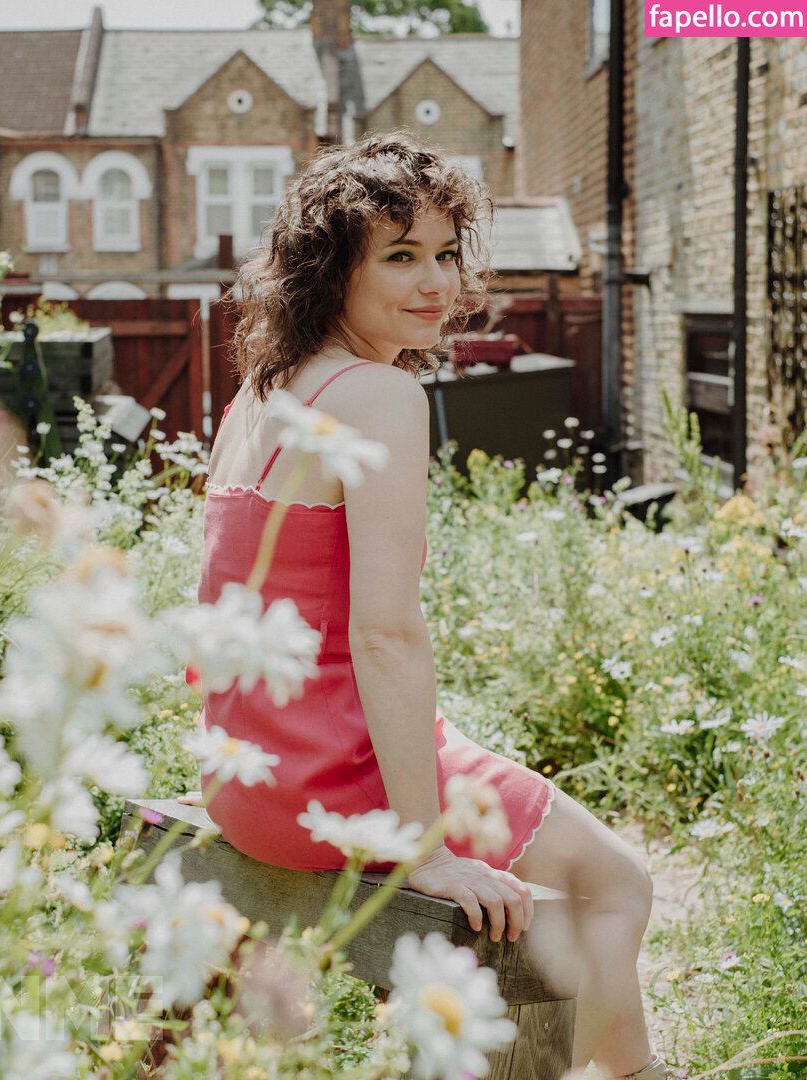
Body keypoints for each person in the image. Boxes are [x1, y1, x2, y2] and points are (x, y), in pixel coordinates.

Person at [179, 132, 672, 1080]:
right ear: (331, 270)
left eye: (447, 253)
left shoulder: (259, 395)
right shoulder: (376, 395)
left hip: (246, 781)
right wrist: (425, 850)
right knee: (616, 882)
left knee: (506, 801)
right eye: (400, 257)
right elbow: (386, 634)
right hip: (332, 780)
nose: (437, 282)